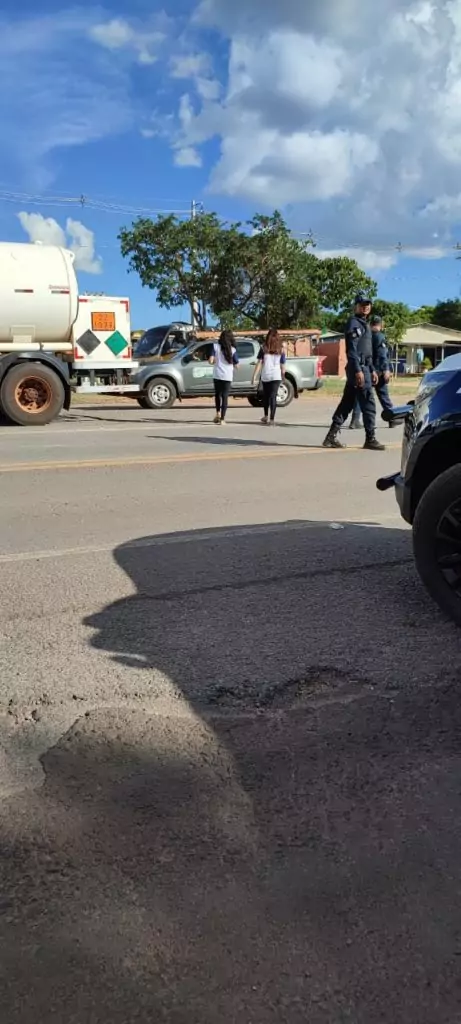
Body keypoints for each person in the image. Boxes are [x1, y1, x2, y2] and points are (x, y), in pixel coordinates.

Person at [323, 293, 385, 451]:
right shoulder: (354, 323)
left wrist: (372, 370)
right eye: (362, 304)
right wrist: (358, 370)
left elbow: (367, 352)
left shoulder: (365, 325)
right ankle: (370, 439)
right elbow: (351, 349)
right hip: (358, 369)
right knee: (368, 403)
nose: (365, 307)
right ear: (356, 306)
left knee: (347, 403)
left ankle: (330, 436)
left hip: (364, 368)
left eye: (368, 304)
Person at [349, 315, 395, 429]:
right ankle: (392, 419)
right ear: (381, 324)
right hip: (377, 371)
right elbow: (382, 354)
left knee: (361, 395)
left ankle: (355, 420)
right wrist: (386, 369)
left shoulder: (365, 335)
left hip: (365, 368)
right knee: (383, 396)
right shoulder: (379, 336)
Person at [252, 328, 286, 425]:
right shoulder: (281, 349)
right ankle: (272, 420)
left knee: (266, 396)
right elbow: (282, 364)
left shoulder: (264, 348)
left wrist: (254, 376)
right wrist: (283, 375)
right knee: (273, 397)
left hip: (266, 375)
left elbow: (259, 363)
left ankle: (266, 416)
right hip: (276, 376)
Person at [209, 330, 239, 425]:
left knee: (217, 395)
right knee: (225, 396)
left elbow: (210, 361)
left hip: (217, 374)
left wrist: (215, 361)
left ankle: (218, 413)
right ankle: (222, 419)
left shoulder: (215, 347)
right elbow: (237, 365)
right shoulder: (233, 350)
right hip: (227, 376)